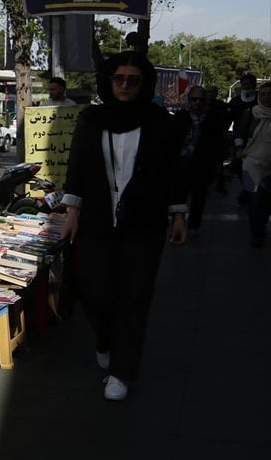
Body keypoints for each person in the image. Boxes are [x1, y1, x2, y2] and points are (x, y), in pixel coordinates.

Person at [60, 51, 188, 402]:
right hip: (98, 221)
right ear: (108, 81)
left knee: (134, 298)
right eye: (119, 79)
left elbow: (173, 170)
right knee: (94, 293)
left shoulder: (159, 121)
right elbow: (78, 167)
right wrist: (72, 213)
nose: (126, 86)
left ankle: (122, 371)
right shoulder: (92, 119)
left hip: (144, 224)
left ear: (143, 83)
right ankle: (104, 339)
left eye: (133, 80)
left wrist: (178, 214)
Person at [172, 85, 226, 232]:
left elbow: (218, 142)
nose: (197, 103)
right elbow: (171, 140)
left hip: (202, 165)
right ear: (189, 100)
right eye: (194, 99)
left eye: (201, 100)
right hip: (181, 163)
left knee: (199, 197)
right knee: (178, 195)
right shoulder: (181, 116)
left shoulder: (212, 118)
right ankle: (178, 223)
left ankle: (194, 225)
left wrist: (217, 165)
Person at [233, 82, 271, 247]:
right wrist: (239, 149)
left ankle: (261, 224)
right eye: (263, 94)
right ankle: (256, 234)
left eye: (270, 94)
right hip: (251, 164)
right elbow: (240, 133)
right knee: (255, 200)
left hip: (269, 166)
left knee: (267, 201)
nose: (266, 97)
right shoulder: (251, 114)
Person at [228, 73, 259, 203]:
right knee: (238, 165)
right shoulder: (235, 101)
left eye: (249, 84)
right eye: (244, 84)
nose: (246, 87)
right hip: (238, 137)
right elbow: (228, 119)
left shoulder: (260, 99)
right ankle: (247, 189)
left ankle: (251, 191)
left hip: (256, 138)